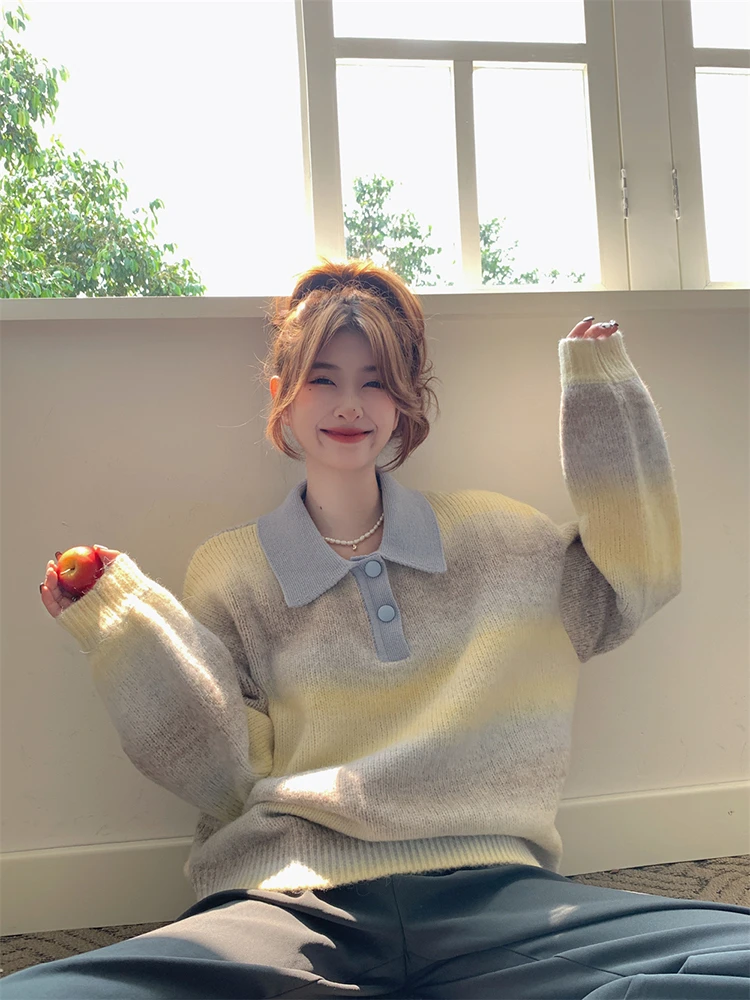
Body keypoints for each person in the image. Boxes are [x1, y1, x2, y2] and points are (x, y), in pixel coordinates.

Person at [9, 258, 748, 999]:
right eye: (323, 378)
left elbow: (635, 580)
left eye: (376, 382)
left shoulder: (503, 540)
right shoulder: (232, 569)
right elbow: (222, 775)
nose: (349, 404)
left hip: (497, 899)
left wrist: (603, 395)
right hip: (287, 905)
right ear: (282, 395)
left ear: (405, 402)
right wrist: (123, 625)